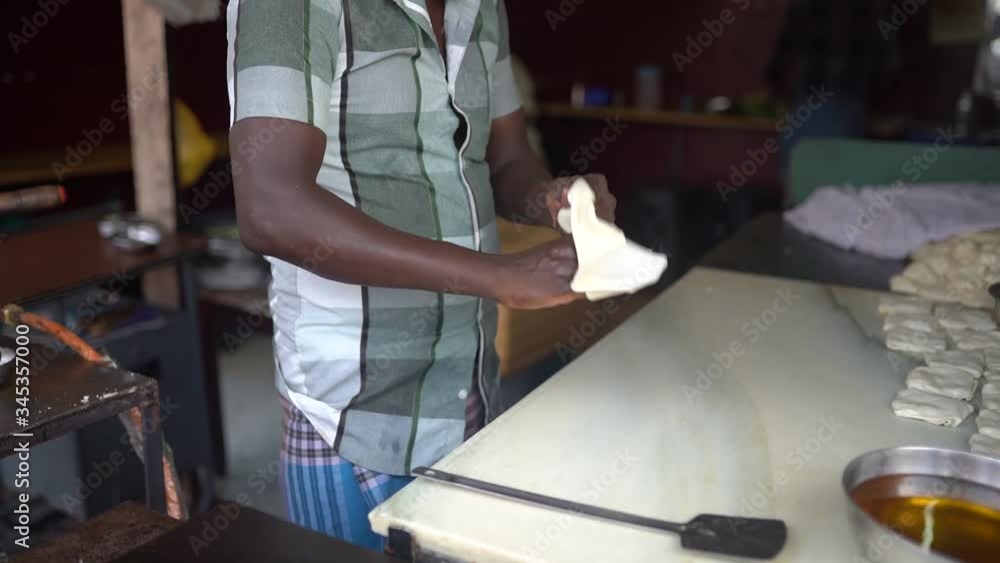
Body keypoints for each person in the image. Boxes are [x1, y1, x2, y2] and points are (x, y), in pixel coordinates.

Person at [225, 0, 615, 550]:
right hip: (354, 401)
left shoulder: (481, 8)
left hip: (467, 377)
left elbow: (505, 158)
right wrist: (495, 277)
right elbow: (270, 208)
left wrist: (553, 199)